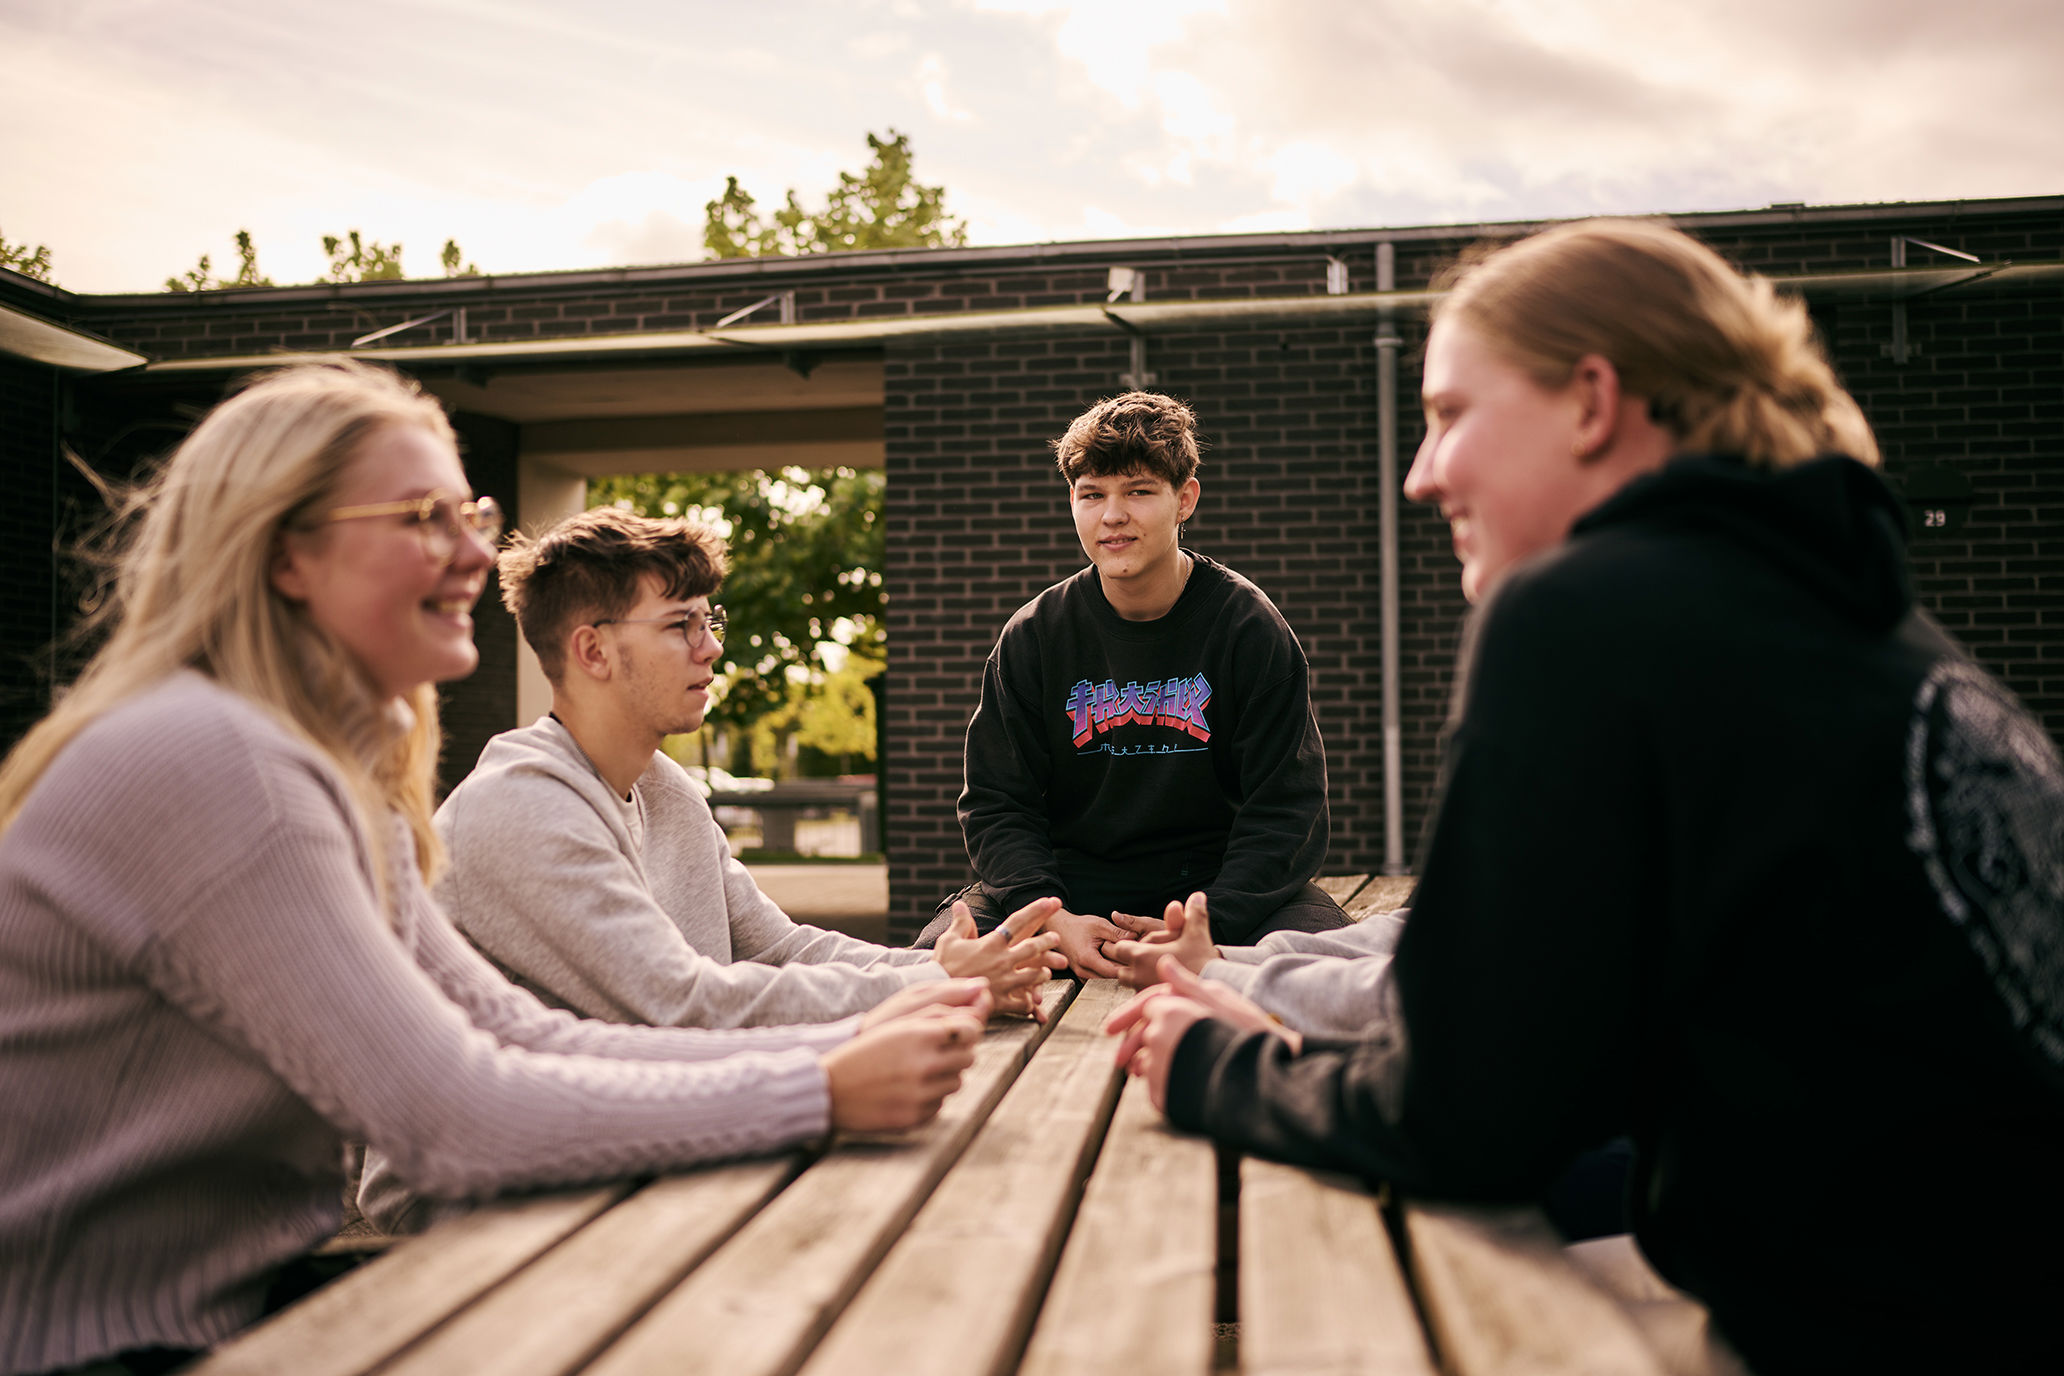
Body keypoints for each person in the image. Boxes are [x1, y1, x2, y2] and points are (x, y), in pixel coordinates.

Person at [1106, 220, 2064, 1374]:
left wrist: (1215, 1060)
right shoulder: (1861, 623)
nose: (1421, 472)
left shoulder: (1587, 609)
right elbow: (1553, 1057)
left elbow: (1466, 1123)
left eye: (1452, 413)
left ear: (1593, 400)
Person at [0, 362, 991, 1376]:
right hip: (91, 1349)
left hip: (233, 1309)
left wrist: (859, 1035)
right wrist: (820, 1085)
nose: (478, 551)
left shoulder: (334, 772)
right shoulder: (218, 762)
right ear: (290, 553)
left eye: (470, 512)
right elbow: (454, 1111)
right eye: (426, 516)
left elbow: (519, 1032)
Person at [421, 506, 1062, 1033]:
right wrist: (935, 981)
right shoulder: (520, 808)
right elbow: (683, 1003)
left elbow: (783, 949)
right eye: (681, 624)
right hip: (498, 1185)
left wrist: (956, 963)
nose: (713, 647)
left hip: (650, 1140)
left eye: (710, 619)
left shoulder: (662, 787)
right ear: (593, 650)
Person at [920, 391, 1351, 978]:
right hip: (1065, 891)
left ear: (1185, 500)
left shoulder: (1248, 629)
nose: (1112, 515)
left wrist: (1212, 927)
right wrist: (1046, 914)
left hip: (1213, 893)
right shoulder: (1035, 636)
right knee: (931, 966)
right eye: (1091, 494)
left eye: (1138, 491)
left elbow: (1285, 809)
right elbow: (998, 804)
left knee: (1331, 969)